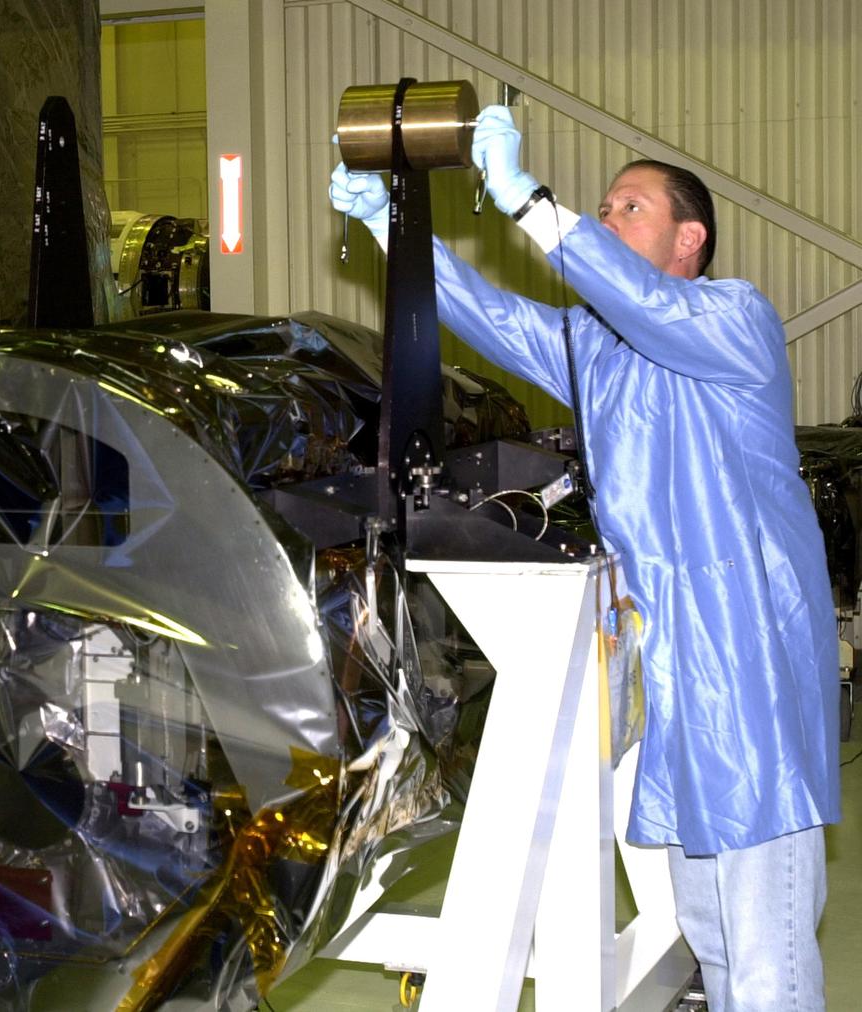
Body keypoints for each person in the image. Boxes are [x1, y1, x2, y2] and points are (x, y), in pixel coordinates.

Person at [331, 107, 840, 1011]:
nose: (608, 218)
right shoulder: (598, 352)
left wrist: (529, 202)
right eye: (601, 208)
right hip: (676, 679)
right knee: (714, 939)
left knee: (767, 956)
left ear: (692, 238)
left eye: (628, 207)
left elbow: (645, 304)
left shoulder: (736, 321)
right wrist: (390, 229)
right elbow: (494, 315)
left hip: (749, 668)